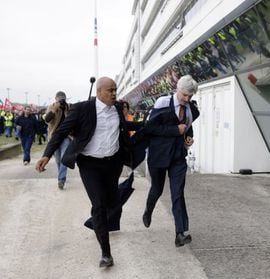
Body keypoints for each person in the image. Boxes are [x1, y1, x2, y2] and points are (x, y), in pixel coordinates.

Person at [35, 77, 144, 268]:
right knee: (99, 205)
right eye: (110, 90)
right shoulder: (82, 109)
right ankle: (106, 254)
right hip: (90, 165)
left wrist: (150, 125)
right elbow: (60, 132)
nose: (114, 94)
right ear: (99, 92)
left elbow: (125, 128)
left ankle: (98, 222)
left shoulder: (118, 108)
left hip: (112, 164)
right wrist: (46, 154)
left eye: (115, 90)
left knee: (112, 202)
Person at [142, 75, 200, 247]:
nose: (187, 99)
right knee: (157, 189)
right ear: (177, 89)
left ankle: (180, 233)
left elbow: (188, 129)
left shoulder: (191, 109)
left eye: (190, 96)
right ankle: (148, 210)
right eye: (184, 95)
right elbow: (150, 128)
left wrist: (189, 138)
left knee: (178, 193)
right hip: (158, 156)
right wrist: (175, 130)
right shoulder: (162, 103)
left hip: (177, 157)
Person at [44, 91, 71, 189]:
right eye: (59, 98)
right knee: (58, 159)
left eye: (63, 98)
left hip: (66, 137)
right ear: (55, 98)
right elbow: (47, 119)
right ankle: (61, 174)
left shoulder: (69, 107)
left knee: (64, 157)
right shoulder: (51, 107)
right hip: (54, 137)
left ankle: (61, 179)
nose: (61, 100)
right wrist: (55, 109)